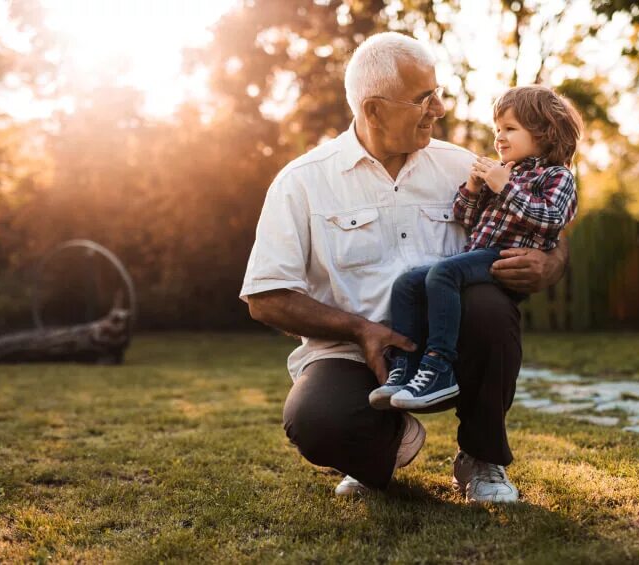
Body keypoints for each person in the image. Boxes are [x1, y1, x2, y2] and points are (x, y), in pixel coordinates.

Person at [240, 32, 569, 503]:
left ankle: (481, 458)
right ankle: (386, 440)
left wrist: (550, 264)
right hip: (354, 354)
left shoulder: (465, 167)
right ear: (373, 110)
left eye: (437, 93)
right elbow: (266, 297)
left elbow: (547, 226)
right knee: (315, 420)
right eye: (424, 98)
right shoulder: (302, 183)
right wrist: (360, 331)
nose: (439, 108)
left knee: (491, 308)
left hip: (449, 344)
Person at [372, 85, 582, 411]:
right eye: (497, 129)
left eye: (510, 129)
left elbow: (551, 219)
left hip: (504, 258)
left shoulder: (557, 177)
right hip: (477, 254)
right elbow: (466, 218)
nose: (499, 137)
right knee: (408, 283)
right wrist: (473, 187)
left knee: (442, 274)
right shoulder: (502, 172)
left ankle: (439, 367)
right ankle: (406, 368)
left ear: (544, 132)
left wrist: (506, 187)